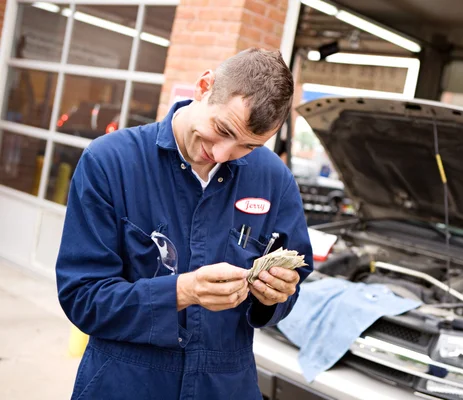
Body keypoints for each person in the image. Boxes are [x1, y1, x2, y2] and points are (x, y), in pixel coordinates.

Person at [55, 48, 314, 400]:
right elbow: (82, 297)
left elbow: (292, 288)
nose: (222, 154)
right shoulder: (109, 162)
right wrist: (181, 292)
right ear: (204, 86)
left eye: (248, 147)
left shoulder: (275, 181)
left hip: (227, 385)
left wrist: (275, 297)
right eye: (221, 129)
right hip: (125, 381)